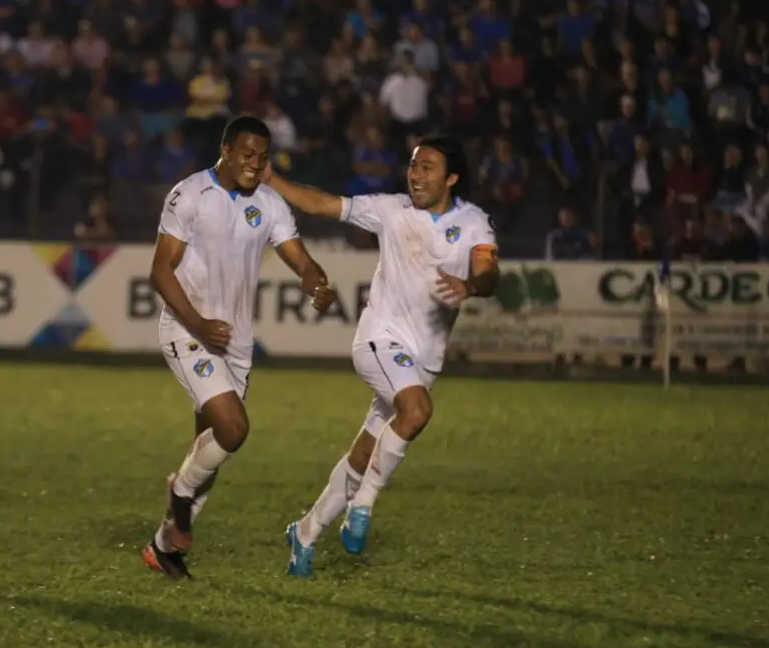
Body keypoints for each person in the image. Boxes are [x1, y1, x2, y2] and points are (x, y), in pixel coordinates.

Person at [265, 134, 501, 577]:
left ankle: (305, 531)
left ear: (450, 177)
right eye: (413, 165)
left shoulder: (474, 223)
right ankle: (363, 506)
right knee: (417, 410)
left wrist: (471, 285)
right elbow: (321, 203)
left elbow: (488, 272)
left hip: (422, 360)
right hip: (379, 340)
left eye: (428, 166)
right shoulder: (392, 210)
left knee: (365, 453)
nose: (416, 174)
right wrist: (273, 179)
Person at [143, 115, 336, 580]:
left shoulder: (269, 204)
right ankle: (179, 496)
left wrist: (317, 283)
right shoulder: (188, 195)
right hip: (188, 330)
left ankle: (164, 547)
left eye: (263, 157)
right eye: (247, 154)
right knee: (232, 429)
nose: (255, 164)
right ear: (226, 150)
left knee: (208, 448)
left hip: (235, 342)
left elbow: (300, 259)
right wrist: (199, 325)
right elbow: (160, 272)